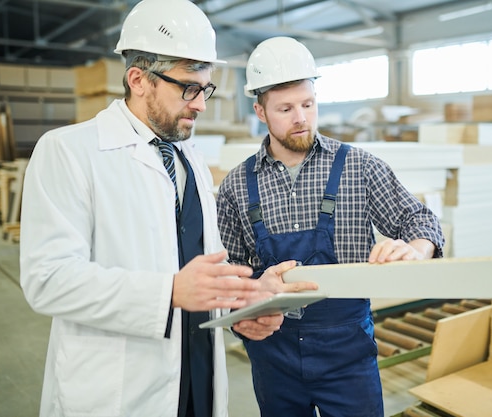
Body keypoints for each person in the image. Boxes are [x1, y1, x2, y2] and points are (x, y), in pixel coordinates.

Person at [19, 3, 315, 417]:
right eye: (189, 88)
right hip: (119, 390)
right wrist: (169, 293)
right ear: (138, 79)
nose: (201, 104)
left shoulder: (188, 158)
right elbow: (47, 279)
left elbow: (194, 261)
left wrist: (241, 304)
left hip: (197, 377)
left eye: (205, 89)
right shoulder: (69, 151)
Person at [216, 36, 445, 417]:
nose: (301, 117)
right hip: (273, 357)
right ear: (260, 111)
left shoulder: (358, 167)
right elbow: (228, 272)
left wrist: (416, 248)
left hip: (348, 357)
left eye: (308, 104)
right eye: (285, 108)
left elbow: (420, 219)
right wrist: (242, 320)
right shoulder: (237, 186)